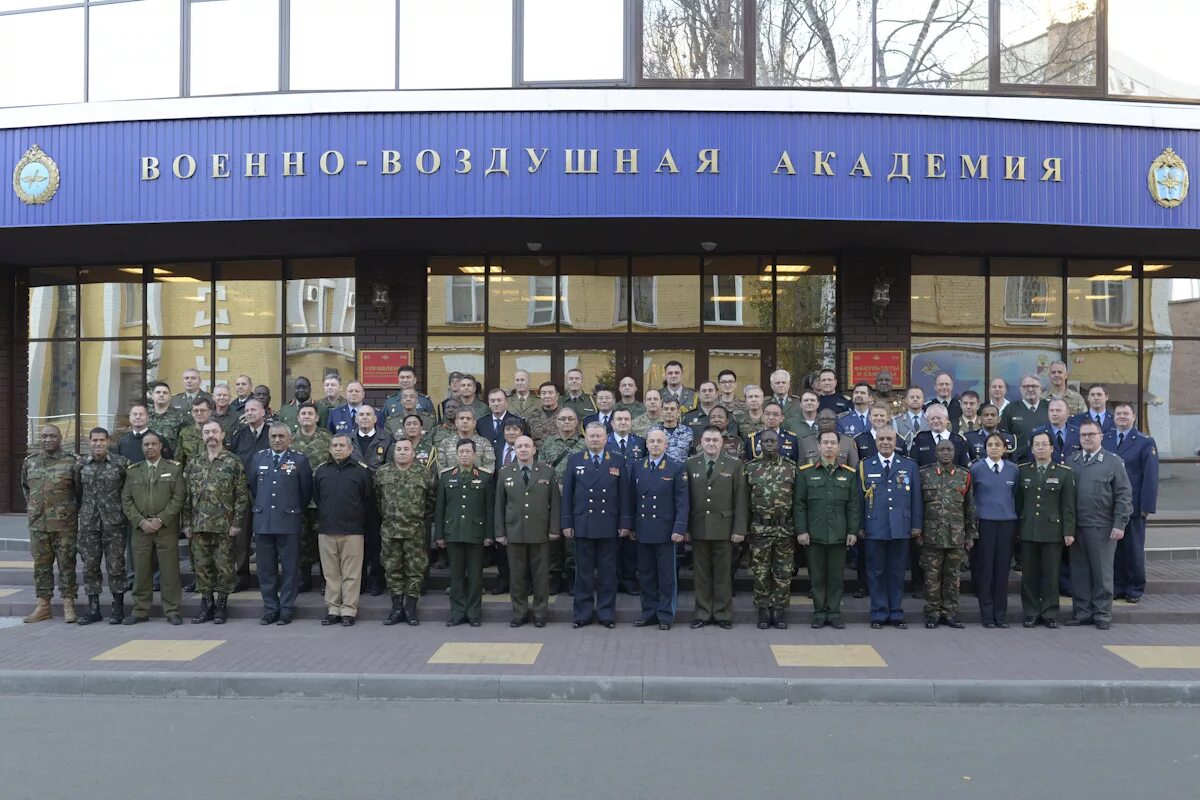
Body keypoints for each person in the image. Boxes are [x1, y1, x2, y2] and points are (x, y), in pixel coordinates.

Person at [561, 422, 631, 628]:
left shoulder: (617, 460)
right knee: (582, 573)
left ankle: (606, 614)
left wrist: (624, 522)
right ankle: (582, 614)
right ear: (585, 438)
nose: (594, 439)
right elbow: (568, 495)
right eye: (591, 436)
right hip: (583, 523)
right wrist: (567, 522)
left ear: (606, 438)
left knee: (608, 573)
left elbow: (624, 495)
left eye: (599, 436)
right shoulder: (575, 460)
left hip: (609, 524)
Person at [1067, 420, 1133, 630]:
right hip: (1077, 526)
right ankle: (1082, 612)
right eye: (1083, 435)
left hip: (1103, 526)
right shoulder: (1072, 461)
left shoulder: (1113, 462)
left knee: (1102, 573)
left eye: (1091, 434)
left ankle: (1102, 614)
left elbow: (1124, 495)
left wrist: (1120, 523)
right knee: (1079, 573)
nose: (1087, 438)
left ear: (1101, 437)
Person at [182, 420, 249, 625]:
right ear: (202, 436)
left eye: (214, 431)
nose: (210, 435)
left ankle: (221, 605)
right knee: (202, 567)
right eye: (206, 432)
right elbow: (186, 496)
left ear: (222, 434)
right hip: (199, 525)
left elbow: (241, 495)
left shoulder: (233, 461)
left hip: (224, 526)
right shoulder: (194, 463)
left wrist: (237, 523)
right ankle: (206, 604)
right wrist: (186, 523)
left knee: (224, 567)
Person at [794, 431, 861, 629]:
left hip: (839, 534)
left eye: (833, 443)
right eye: (826, 443)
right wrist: (801, 530)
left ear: (839, 448)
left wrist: (852, 531)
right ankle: (819, 613)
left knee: (835, 578)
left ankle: (833, 613)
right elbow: (799, 505)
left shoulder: (848, 474)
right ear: (819, 446)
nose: (829, 446)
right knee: (817, 578)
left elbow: (853, 506)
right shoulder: (806, 472)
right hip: (814, 534)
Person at [248, 423, 313, 625]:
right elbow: (253, 487)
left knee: (290, 569)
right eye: (274, 436)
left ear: (290, 439)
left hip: (288, 522)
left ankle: (286, 608)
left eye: (281, 436)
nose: (277, 440)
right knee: (265, 569)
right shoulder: (259, 458)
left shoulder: (300, 461)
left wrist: (292, 509)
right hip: (263, 521)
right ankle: (270, 608)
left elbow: (305, 492)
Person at [858, 426, 922, 629]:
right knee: (876, 572)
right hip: (874, 527)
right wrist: (859, 526)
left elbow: (916, 500)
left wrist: (916, 525)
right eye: (882, 439)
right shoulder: (865, 466)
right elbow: (858, 500)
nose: (886, 442)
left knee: (896, 572)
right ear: (876, 441)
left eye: (890, 439)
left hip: (900, 528)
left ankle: (895, 612)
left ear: (896, 442)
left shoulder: (909, 466)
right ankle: (878, 612)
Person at [120, 431, 186, 625]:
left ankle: (172, 610)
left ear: (160, 446)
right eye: (146, 444)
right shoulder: (133, 471)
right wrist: (140, 521)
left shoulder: (173, 469)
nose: (149, 447)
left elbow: (179, 497)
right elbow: (126, 500)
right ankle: (140, 610)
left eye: (153, 444)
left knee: (170, 572)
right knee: (140, 572)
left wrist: (161, 519)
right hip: (141, 530)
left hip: (166, 529)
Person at [685, 427, 747, 629]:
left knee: (722, 574)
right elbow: (685, 500)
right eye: (707, 440)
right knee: (701, 574)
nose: (711, 443)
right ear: (700, 442)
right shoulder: (690, 464)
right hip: (699, 526)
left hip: (725, 528)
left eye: (715, 440)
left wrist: (739, 529)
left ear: (722, 443)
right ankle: (703, 613)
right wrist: (684, 527)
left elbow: (740, 499)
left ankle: (722, 614)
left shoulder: (734, 465)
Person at [496, 435, 561, 628]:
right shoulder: (505, 473)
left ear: (534, 450)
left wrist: (554, 529)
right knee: (517, 576)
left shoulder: (547, 472)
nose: (523, 449)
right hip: (514, 531)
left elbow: (555, 503)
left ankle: (540, 613)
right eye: (519, 447)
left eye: (527, 446)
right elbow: (499, 505)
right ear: (514, 450)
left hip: (540, 532)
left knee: (541, 576)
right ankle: (520, 613)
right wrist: (500, 532)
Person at [1016, 431, 1077, 628]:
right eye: (1037, 445)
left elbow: (1068, 505)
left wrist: (1069, 531)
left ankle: (1050, 612)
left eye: (1044, 444)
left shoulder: (1064, 472)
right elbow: (1018, 503)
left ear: (1052, 448)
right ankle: (1031, 612)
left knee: (1051, 575)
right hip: (1028, 530)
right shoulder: (1023, 471)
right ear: (1031, 449)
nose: (1041, 448)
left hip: (1052, 531)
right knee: (1029, 576)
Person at [629, 429, 688, 630]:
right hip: (644, 529)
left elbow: (682, 502)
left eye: (659, 441)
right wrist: (631, 527)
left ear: (666, 445)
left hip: (666, 531)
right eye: (651, 441)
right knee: (645, 575)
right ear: (646, 445)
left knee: (666, 576)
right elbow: (632, 499)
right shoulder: (637, 466)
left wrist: (679, 528)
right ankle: (648, 613)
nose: (655, 444)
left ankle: (665, 615)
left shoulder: (675, 468)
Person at [313, 433, 374, 626]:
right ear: (330, 449)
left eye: (342, 445)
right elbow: (316, 497)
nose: (338, 449)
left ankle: (348, 610)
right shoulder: (322, 471)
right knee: (331, 574)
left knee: (351, 573)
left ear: (350, 449)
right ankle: (333, 609)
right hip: (327, 530)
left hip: (353, 530)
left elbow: (368, 501)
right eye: (334, 445)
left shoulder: (361, 471)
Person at [375, 438, 436, 626]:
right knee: (392, 569)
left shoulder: (424, 474)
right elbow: (378, 500)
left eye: (406, 449)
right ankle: (396, 608)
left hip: (415, 531)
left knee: (415, 570)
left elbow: (431, 501)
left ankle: (410, 608)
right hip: (390, 531)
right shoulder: (382, 473)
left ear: (413, 452)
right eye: (399, 449)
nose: (402, 452)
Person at [22, 425, 80, 624]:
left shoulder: (72, 462)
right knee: (41, 567)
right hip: (38, 525)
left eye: (52, 436)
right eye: (44, 436)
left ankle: (68, 604)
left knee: (67, 565)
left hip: (64, 525)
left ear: (60, 438)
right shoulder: (30, 462)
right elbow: (26, 490)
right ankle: (43, 605)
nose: (48, 439)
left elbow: (79, 492)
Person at [435, 439, 495, 627]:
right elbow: (440, 509)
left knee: (476, 577)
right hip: (453, 532)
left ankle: (474, 613)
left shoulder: (485, 477)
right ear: (456, 454)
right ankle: (457, 613)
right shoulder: (446, 477)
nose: (464, 455)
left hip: (476, 533)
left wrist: (489, 534)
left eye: (468, 452)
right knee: (456, 577)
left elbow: (489, 509)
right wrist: (439, 535)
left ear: (475, 454)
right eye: (461, 452)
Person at [917, 440, 976, 629]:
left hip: (956, 536)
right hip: (931, 536)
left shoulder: (964, 475)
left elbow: (970, 507)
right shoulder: (924, 474)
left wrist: (970, 535)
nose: (945, 453)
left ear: (954, 452)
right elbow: (918, 506)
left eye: (949, 449)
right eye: (941, 449)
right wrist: (917, 531)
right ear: (935, 452)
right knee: (932, 578)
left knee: (953, 578)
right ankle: (932, 613)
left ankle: (950, 613)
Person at [74, 427, 129, 625]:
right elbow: (77, 493)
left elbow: (126, 491)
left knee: (116, 566)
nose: (98, 444)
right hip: (89, 524)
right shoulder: (81, 464)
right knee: (90, 566)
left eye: (101, 440)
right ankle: (94, 608)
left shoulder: (120, 464)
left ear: (108, 442)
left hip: (114, 524)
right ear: (89, 442)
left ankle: (118, 607)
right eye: (94, 440)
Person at [745, 429, 798, 630]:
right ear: (759, 444)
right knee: (760, 571)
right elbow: (744, 502)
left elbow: (797, 501)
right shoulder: (750, 468)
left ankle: (779, 609)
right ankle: (763, 610)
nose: (768, 444)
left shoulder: (791, 468)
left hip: (784, 528)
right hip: (760, 528)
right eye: (765, 441)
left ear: (779, 443)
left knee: (783, 571)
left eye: (772, 441)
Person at [1106, 403, 1158, 604]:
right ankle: (1118, 586)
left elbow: (1150, 477)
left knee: (1134, 548)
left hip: (1134, 506)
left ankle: (1135, 587)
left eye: (1126, 414)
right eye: (1118, 414)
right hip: (1110, 505)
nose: (1122, 417)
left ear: (1134, 417)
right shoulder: (1107, 439)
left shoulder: (1145, 441)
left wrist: (1146, 506)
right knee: (1116, 549)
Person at [970, 432, 1020, 628]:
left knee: (1002, 571)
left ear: (1004, 449)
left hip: (1007, 523)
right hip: (985, 523)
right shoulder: (976, 469)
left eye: (997, 445)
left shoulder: (1013, 470)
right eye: (990, 445)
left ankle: (1001, 615)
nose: (993, 448)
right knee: (986, 570)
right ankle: (987, 615)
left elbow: (1015, 495)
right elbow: (972, 497)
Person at [538, 406, 586, 595]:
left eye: (570, 419)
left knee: (572, 540)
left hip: (576, 497)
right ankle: (554, 577)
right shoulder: (548, 443)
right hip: (553, 497)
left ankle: (573, 578)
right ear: (556, 422)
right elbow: (541, 469)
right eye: (562, 419)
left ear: (577, 422)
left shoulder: (583, 444)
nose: (566, 422)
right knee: (554, 539)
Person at [291, 402, 333, 593]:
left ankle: (326, 579)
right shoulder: (291, 439)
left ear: (317, 417)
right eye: (303, 413)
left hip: (322, 498)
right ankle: (304, 577)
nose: (306, 416)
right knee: (302, 539)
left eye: (310, 413)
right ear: (298, 418)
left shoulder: (327, 438)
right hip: (298, 499)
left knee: (323, 540)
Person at [229, 398, 270, 588]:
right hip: (244, 491)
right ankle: (241, 576)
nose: (250, 412)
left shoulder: (272, 434)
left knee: (264, 536)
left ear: (264, 412)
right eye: (247, 410)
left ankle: (266, 577)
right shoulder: (239, 435)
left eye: (254, 409)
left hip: (266, 490)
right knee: (241, 537)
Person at [606, 408, 645, 595]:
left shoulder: (640, 442)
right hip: (611, 497)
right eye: (619, 419)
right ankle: (613, 579)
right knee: (612, 541)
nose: (623, 422)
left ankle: (629, 579)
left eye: (626, 419)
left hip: (634, 496)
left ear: (631, 422)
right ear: (612, 423)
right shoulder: (604, 441)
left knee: (631, 541)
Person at [1022, 398, 1080, 464]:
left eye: (1058, 410)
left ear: (1067, 412)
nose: (1054, 413)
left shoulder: (1077, 432)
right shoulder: (1037, 433)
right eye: (1051, 410)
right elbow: (1031, 459)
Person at [1001, 374, 1049, 450]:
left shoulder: (1049, 407)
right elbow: (1004, 435)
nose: (1030, 389)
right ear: (1020, 389)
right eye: (1026, 386)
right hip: (1019, 459)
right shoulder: (1011, 408)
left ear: (1040, 389)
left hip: (1044, 458)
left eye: (1034, 386)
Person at [477, 388, 524, 454]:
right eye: (492, 401)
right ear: (489, 404)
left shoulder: (519, 421)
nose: (496, 404)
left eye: (499, 400)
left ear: (506, 402)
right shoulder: (480, 423)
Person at [175, 397, 213, 470]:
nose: (199, 413)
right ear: (192, 413)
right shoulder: (185, 433)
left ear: (210, 412)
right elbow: (179, 459)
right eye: (196, 411)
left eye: (203, 410)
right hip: (191, 477)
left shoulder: (215, 431)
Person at [656, 397, 694, 462]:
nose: (669, 412)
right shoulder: (654, 432)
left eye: (672, 409)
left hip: (681, 470)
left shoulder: (688, 432)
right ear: (661, 412)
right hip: (659, 470)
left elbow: (692, 456)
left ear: (679, 412)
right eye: (666, 409)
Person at [527, 382, 563, 446]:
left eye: (550, 393)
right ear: (540, 396)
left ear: (557, 396)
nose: (547, 396)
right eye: (543, 393)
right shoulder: (532, 416)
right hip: (537, 454)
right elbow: (527, 439)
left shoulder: (566, 416)